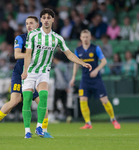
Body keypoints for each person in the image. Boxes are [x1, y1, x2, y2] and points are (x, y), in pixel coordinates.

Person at [21, 8, 92, 138]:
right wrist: (25, 70)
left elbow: (69, 54)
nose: (46, 20)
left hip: (44, 72)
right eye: (44, 18)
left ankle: (39, 128)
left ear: (53, 20)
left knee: (43, 96)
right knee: (26, 100)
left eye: (49, 17)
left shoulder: (57, 38)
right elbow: (28, 54)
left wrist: (82, 63)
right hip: (31, 71)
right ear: (41, 20)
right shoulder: (33, 35)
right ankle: (27, 131)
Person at [0, 15, 53, 138]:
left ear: (37, 25)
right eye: (26, 23)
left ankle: (43, 131)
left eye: (31, 23)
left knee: (42, 102)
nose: (28, 26)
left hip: (34, 74)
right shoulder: (20, 38)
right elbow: (17, 55)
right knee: (14, 101)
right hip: (20, 74)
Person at [69, 29, 121, 129]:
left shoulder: (95, 48)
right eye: (83, 37)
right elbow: (76, 64)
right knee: (82, 100)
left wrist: (96, 70)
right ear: (80, 38)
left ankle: (113, 119)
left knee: (104, 100)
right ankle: (88, 123)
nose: (85, 39)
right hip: (85, 79)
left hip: (96, 79)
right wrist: (73, 77)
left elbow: (104, 61)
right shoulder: (78, 50)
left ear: (90, 38)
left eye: (87, 37)